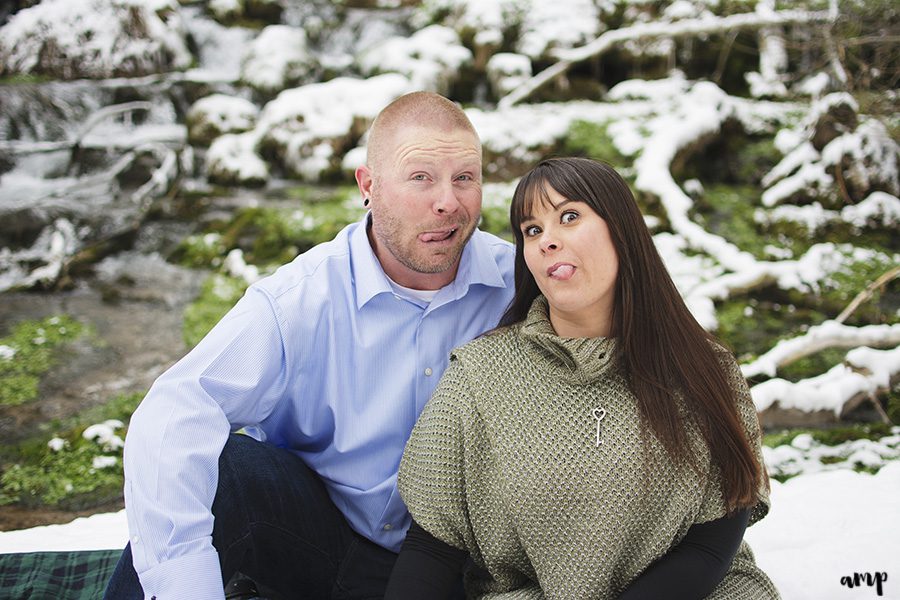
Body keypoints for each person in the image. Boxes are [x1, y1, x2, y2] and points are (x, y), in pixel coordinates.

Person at [103, 91, 515, 600]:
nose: (447, 201)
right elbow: (175, 412)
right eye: (421, 177)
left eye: (465, 177)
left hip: (462, 563)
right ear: (368, 186)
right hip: (328, 540)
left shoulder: (519, 283)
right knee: (228, 468)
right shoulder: (299, 299)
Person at [385, 157, 780, 599]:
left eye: (568, 217)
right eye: (531, 230)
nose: (546, 241)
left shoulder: (704, 369)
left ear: (622, 230)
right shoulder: (480, 378)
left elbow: (713, 542)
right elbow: (432, 549)